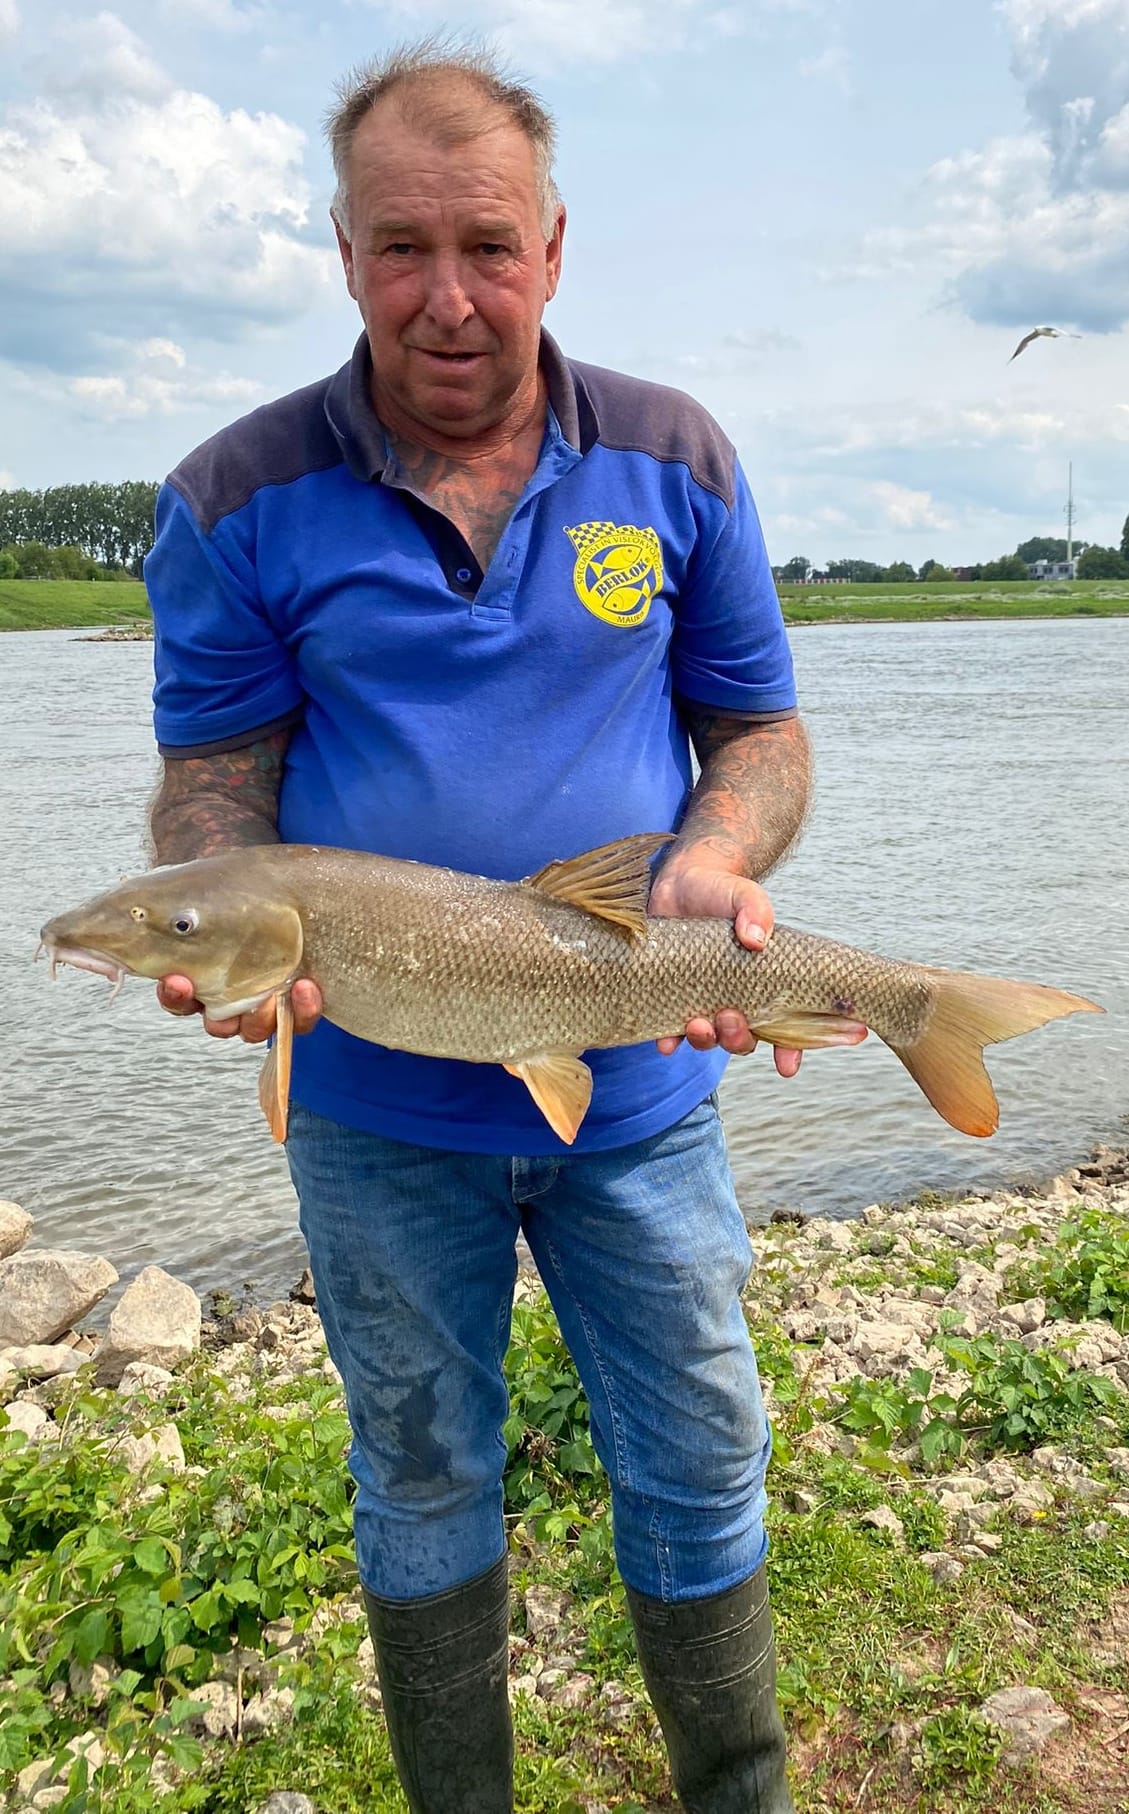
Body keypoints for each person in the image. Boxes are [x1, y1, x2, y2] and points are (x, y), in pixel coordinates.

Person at [145, 43, 860, 1813]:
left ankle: (740, 1791)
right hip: (378, 1115)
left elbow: (758, 733)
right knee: (419, 1466)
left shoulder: (676, 454)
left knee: (699, 1453)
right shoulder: (234, 496)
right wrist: (222, 922)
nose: (448, 298)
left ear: (553, 246)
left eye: (486, 245)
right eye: (402, 249)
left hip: (633, 1094)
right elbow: (214, 779)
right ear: (341, 254)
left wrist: (716, 851)